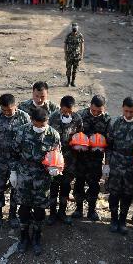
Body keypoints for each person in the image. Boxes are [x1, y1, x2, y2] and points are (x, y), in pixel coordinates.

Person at [12, 106, 60, 255]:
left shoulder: (53, 134)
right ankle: (24, 236)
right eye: (37, 125)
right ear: (32, 120)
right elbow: (14, 153)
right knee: (24, 208)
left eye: (43, 125)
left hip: (43, 177)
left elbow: (57, 155)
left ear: (47, 121)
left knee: (40, 209)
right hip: (24, 175)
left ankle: (37, 236)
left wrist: (55, 168)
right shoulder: (22, 131)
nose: (40, 128)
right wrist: (13, 172)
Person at [106, 97, 133, 235]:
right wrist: (107, 165)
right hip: (116, 163)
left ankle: (123, 220)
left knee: (127, 194)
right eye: (126, 111)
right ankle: (113, 219)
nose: (129, 114)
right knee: (114, 193)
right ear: (122, 108)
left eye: (132, 111)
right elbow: (109, 145)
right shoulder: (115, 123)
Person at [0, 94, 31, 230]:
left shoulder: (24, 117)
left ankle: (13, 215)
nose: (7, 113)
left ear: (16, 106)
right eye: (4, 110)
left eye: (10, 110)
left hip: (17, 161)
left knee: (15, 189)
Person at [74, 95, 111, 221]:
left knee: (94, 186)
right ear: (90, 105)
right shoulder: (80, 115)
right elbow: (73, 135)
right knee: (79, 183)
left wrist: (106, 164)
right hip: (80, 158)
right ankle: (78, 209)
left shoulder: (107, 120)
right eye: (93, 110)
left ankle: (91, 210)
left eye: (99, 111)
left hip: (96, 160)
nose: (95, 114)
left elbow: (109, 144)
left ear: (104, 108)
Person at [47, 95, 82, 225]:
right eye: (65, 110)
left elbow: (80, 135)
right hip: (55, 159)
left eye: (70, 111)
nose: (67, 113)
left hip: (70, 160)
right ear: (60, 107)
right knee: (53, 186)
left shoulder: (77, 118)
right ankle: (52, 213)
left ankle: (62, 212)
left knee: (66, 187)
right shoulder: (53, 117)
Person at [64, 23, 84, 87]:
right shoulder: (68, 35)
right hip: (69, 56)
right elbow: (65, 45)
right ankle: (68, 82)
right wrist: (65, 54)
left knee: (75, 70)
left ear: (77, 28)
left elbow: (82, 45)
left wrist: (81, 54)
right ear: (71, 28)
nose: (74, 29)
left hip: (77, 56)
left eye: (75, 27)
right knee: (68, 69)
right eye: (73, 28)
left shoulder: (80, 35)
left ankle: (73, 82)